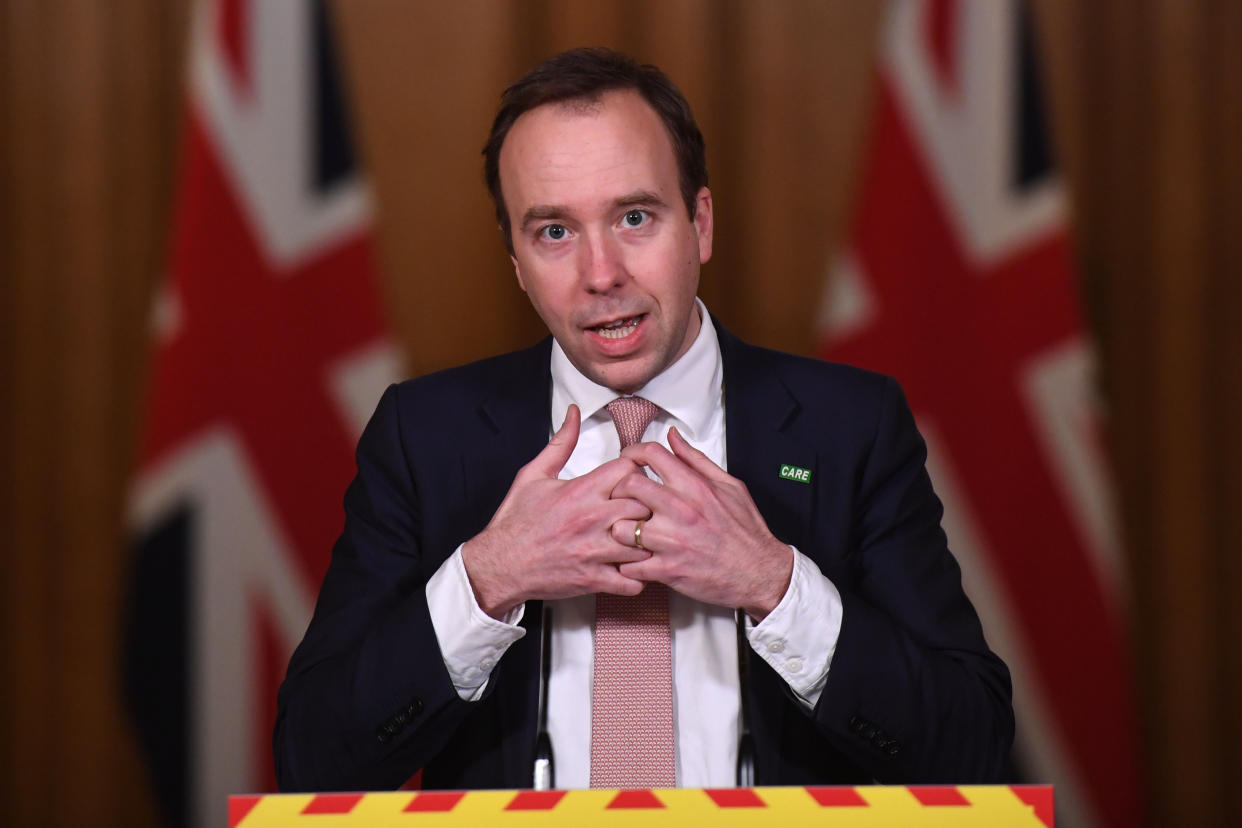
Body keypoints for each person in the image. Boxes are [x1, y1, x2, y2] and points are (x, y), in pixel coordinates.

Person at [274, 47, 1012, 792]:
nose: (601, 275)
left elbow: (971, 750)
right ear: (516, 261)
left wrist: (775, 584)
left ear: (701, 223)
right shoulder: (424, 437)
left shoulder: (851, 426)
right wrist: (488, 579)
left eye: (634, 217)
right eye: (554, 232)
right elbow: (311, 761)